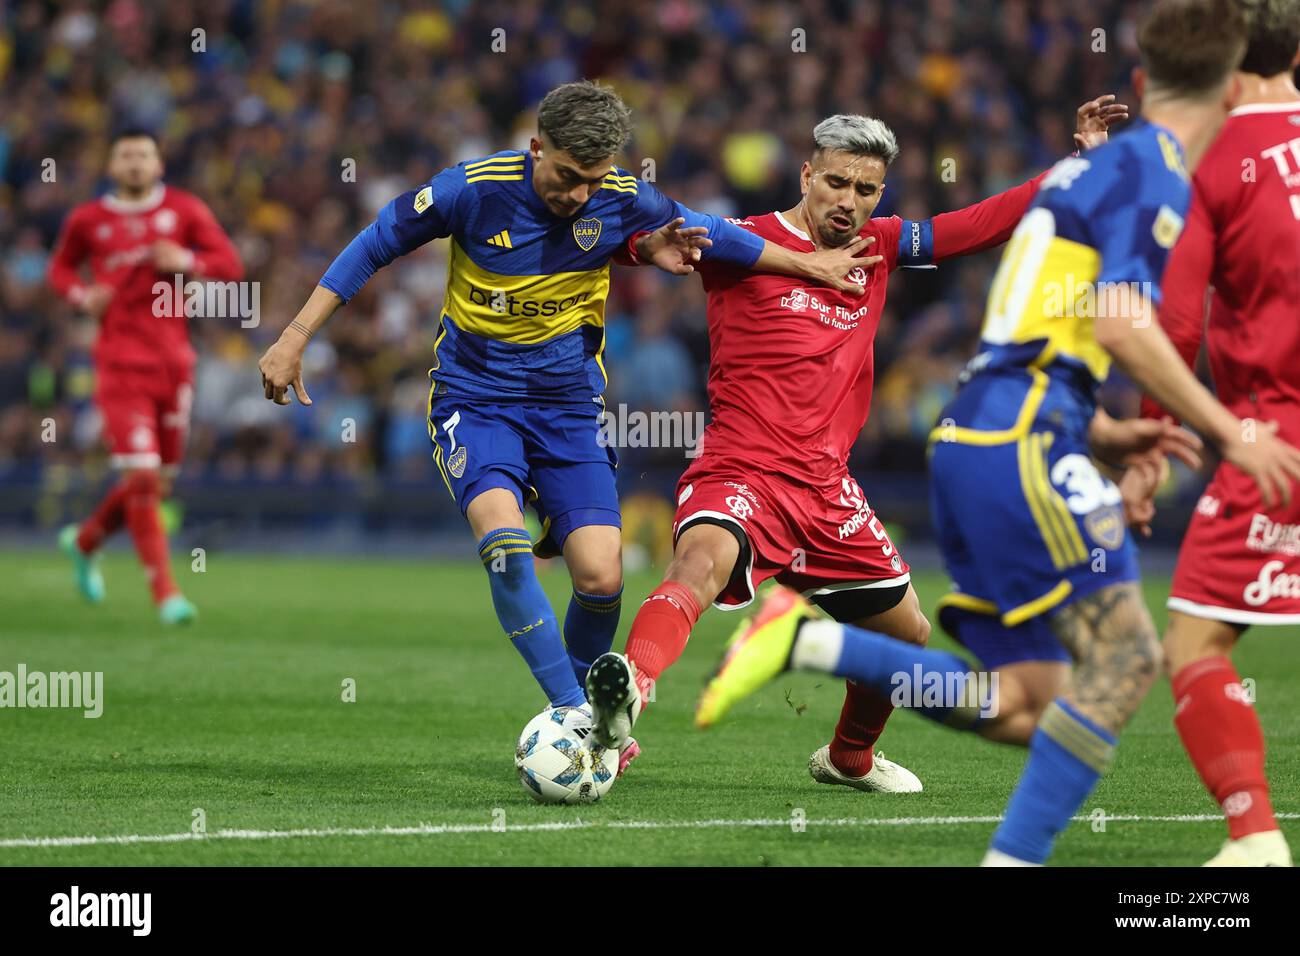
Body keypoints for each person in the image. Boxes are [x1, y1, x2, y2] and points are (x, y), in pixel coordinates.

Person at [695, 0, 1300, 866]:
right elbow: (1131, 326)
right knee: (1125, 662)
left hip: (994, 435)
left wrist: (1111, 433)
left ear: (1141, 83)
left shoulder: (1082, 180)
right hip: (1024, 446)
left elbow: (1032, 329)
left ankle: (813, 644)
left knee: (1034, 702)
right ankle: (1244, 845)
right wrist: (1227, 432)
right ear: (1236, 88)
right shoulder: (1158, 179)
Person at [256, 81, 868, 771]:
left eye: (593, 181)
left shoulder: (620, 197)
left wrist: (808, 263)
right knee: (505, 546)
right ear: (536, 146)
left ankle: (585, 720)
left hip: (569, 411)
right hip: (476, 400)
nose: (579, 195)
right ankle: (575, 714)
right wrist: (296, 335)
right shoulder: (471, 190)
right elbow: (372, 245)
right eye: (568, 177)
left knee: (603, 578)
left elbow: (717, 235)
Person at [1140, 0, 1300, 866]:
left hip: (1273, 436)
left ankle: (1255, 836)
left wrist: (1153, 441)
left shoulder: (1213, 155)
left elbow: (1173, 324)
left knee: (1196, 643)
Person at [49, 129, 244, 624]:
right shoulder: (88, 220)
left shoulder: (183, 210)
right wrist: (81, 297)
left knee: (156, 483)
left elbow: (231, 267)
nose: (135, 162)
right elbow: (61, 270)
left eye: (143, 154)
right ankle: (166, 594)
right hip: (118, 363)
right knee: (140, 474)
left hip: (174, 363)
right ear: (111, 166)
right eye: (125, 154)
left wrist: (187, 261)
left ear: (158, 165)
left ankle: (87, 539)